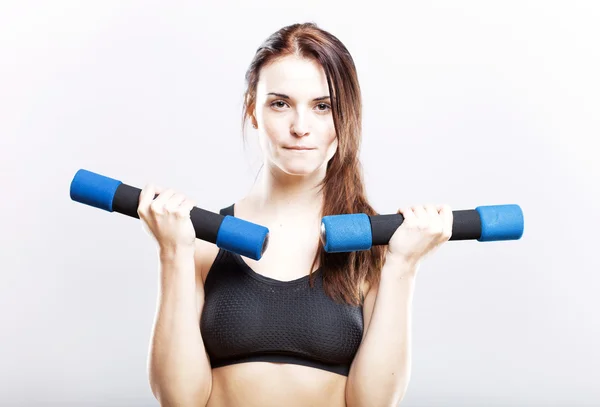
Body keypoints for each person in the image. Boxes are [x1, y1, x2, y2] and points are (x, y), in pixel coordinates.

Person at [138, 22, 453, 407]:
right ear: (252, 111)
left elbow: (371, 403)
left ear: (346, 117)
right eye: (280, 103)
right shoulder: (201, 244)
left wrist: (403, 266)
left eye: (323, 107)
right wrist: (173, 254)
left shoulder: (372, 247)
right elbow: (178, 400)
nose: (300, 127)